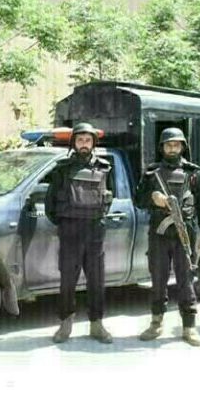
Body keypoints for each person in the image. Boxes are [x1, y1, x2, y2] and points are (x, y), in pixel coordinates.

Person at [135, 127, 200, 347]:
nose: (172, 148)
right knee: (158, 279)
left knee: (186, 280)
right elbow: (138, 200)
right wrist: (153, 197)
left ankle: (189, 326)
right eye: (168, 145)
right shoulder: (152, 173)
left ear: (182, 147)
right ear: (162, 147)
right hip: (159, 233)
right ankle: (156, 322)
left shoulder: (193, 173)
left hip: (185, 232)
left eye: (176, 144)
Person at [45, 122, 114, 343]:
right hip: (70, 232)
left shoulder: (104, 168)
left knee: (96, 281)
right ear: (74, 143)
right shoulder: (62, 169)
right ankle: (65, 324)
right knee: (68, 281)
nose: (84, 144)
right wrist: (66, 222)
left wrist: (97, 218)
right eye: (80, 140)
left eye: (88, 140)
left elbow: (108, 198)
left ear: (93, 143)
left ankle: (97, 325)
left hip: (95, 232)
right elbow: (50, 204)